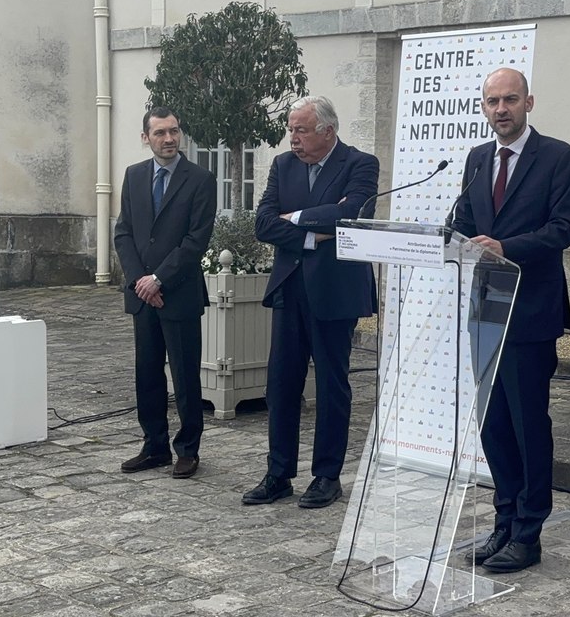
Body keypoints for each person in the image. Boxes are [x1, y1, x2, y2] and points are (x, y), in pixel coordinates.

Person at [452, 68, 570, 572]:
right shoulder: (477, 159)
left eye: (509, 100)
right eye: (491, 101)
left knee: (528, 425)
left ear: (529, 102)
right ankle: (503, 520)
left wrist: (506, 248)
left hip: (529, 313)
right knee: (493, 426)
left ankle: (529, 533)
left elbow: (563, 228)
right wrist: (447, 239)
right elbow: (465, 224)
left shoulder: (559, 157)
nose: (500, 109)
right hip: (484, 311)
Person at [242, 95, 379, 509]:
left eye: (301, 130)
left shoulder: (360, 163)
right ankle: (279, 473)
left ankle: (326, 476)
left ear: (327, 131)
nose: (293, 139)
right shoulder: (284, 165)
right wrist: (313, 229)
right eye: (291, 130)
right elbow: (263, 222)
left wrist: (295, 216)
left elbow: (352, 214)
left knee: (331, 385)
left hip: (336, 290)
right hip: (289, 286)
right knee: (281, 383)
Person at [113, 107, 217, 478]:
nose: (169, 139)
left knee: (185, 375)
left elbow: (196, 241)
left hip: (180, 292)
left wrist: (159, 279)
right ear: (146, 138)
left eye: (174, 131)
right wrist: (141, 280)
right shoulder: (134, 176)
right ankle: (154, 445)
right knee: (148, 374)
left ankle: (188, 449)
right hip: (144, 298)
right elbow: (124, 233)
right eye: (160, 133)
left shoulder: (200, 179)